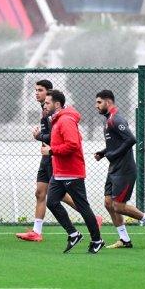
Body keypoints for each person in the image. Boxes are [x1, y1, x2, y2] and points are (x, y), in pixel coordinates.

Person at [16, 79, 85, 242]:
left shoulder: (54, 114)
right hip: (46, 156)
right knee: (40, 193)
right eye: (36, 90)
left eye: (40, 90)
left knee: (57, 195)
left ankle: (90, 216)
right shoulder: (44, 110)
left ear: (49, 94)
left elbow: (56, 137)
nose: (36, 93)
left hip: (53, 157)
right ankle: (36, 232)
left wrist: (38, 136)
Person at [93, 90, 145, 249]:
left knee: (119, 206)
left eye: (99, 103)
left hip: (125, 170)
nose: (97, 106)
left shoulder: (116, 119)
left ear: (108, 103)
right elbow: (115, 144)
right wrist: (103, 153)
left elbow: (131, 139)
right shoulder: (108, 120)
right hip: (114, 168)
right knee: (108, 203)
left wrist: (112, 154)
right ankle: (124, 239)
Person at [41, 89, 104, 254]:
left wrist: (52, 151)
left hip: (72, 172)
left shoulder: (66, 120)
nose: (44, 105)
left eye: (47, 103)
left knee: (83, 207)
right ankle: (73, 233)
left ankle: (97, 240)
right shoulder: (57, 120)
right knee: (52, 202)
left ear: (57, 104)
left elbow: (73, 145)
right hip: (59, 172)